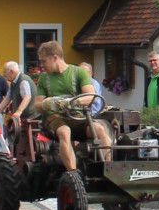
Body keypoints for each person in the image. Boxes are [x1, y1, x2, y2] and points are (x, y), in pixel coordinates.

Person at [32, 41, 105, 169]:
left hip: (77, 117)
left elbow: (91, 96)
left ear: (54, 57)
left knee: (99, 129)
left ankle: (107, 169)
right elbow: (37, 105)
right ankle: (73, 174)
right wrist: (47, 103)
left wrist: (73, 102)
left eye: (44, 61)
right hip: (54, 119)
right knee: (65, 132)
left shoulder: (78, 73)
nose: (42, 65)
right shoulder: (44, 78)